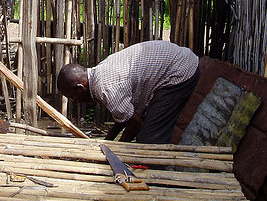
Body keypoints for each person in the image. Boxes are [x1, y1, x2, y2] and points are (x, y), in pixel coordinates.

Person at [57, 41, 199, 144]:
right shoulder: (100, 73)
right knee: (149, 134)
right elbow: (125, 117)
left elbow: (135, 124)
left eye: (73, 97)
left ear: (80, 88)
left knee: (149, 139)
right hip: (175, 64)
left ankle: (156, 179)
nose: (75, 101)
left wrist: (116, 150)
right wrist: (107, 143)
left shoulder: (107, 89)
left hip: (179, 71)